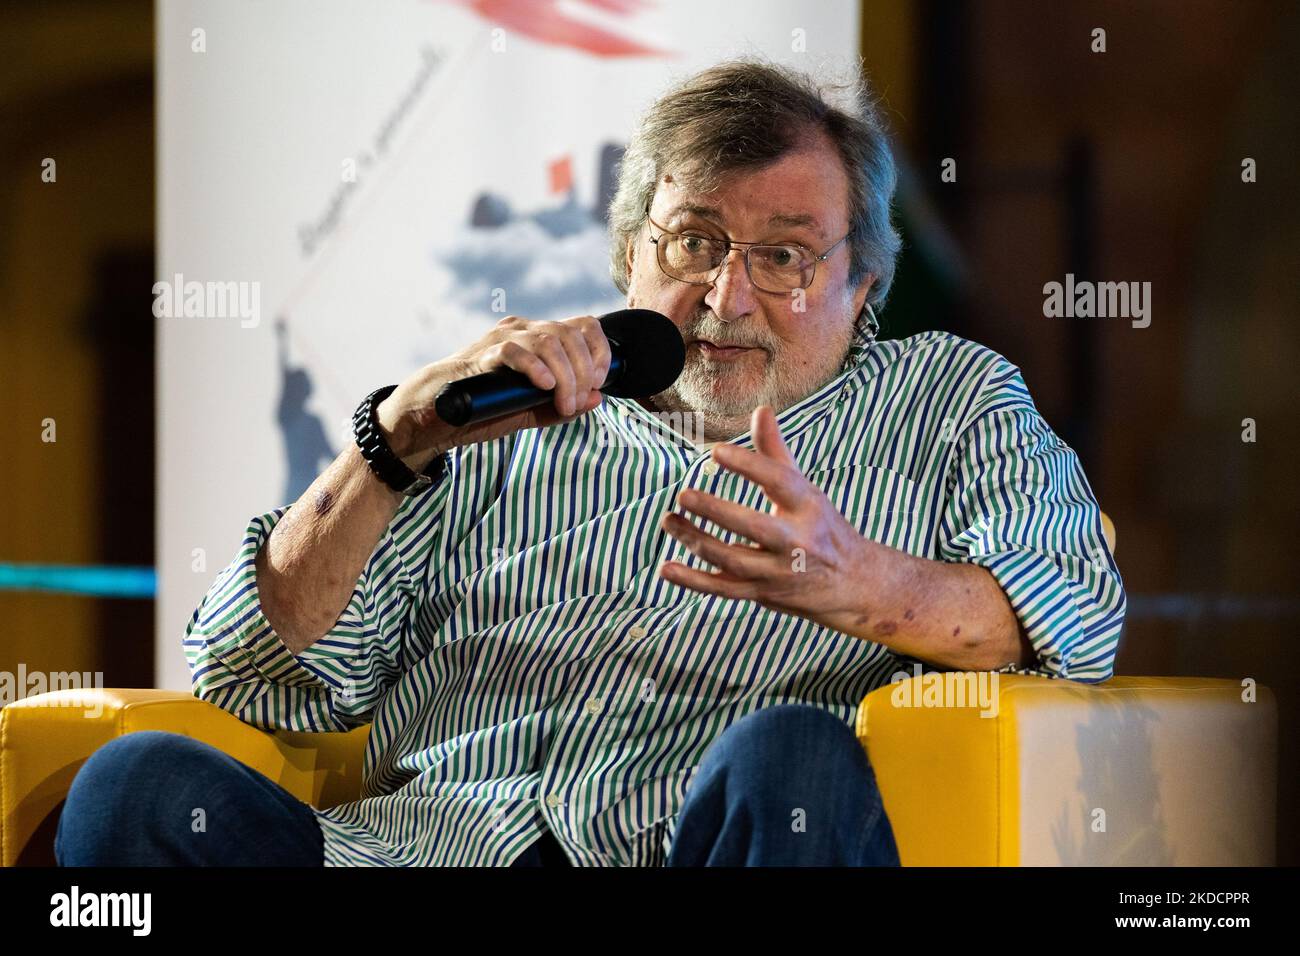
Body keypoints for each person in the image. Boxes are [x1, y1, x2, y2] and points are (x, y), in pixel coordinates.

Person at [57, 57, 1125, 868]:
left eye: (785, 257)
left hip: (679, 842)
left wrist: (859, 580)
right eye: (693, 243)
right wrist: (392, 443)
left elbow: (1073, 613)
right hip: (419, 846)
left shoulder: (947, 398)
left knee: (794, 759)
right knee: (133, 787)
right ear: (627, 256)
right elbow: (253, 682)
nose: (725, 298)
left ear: (863, 285)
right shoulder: (503, 410)